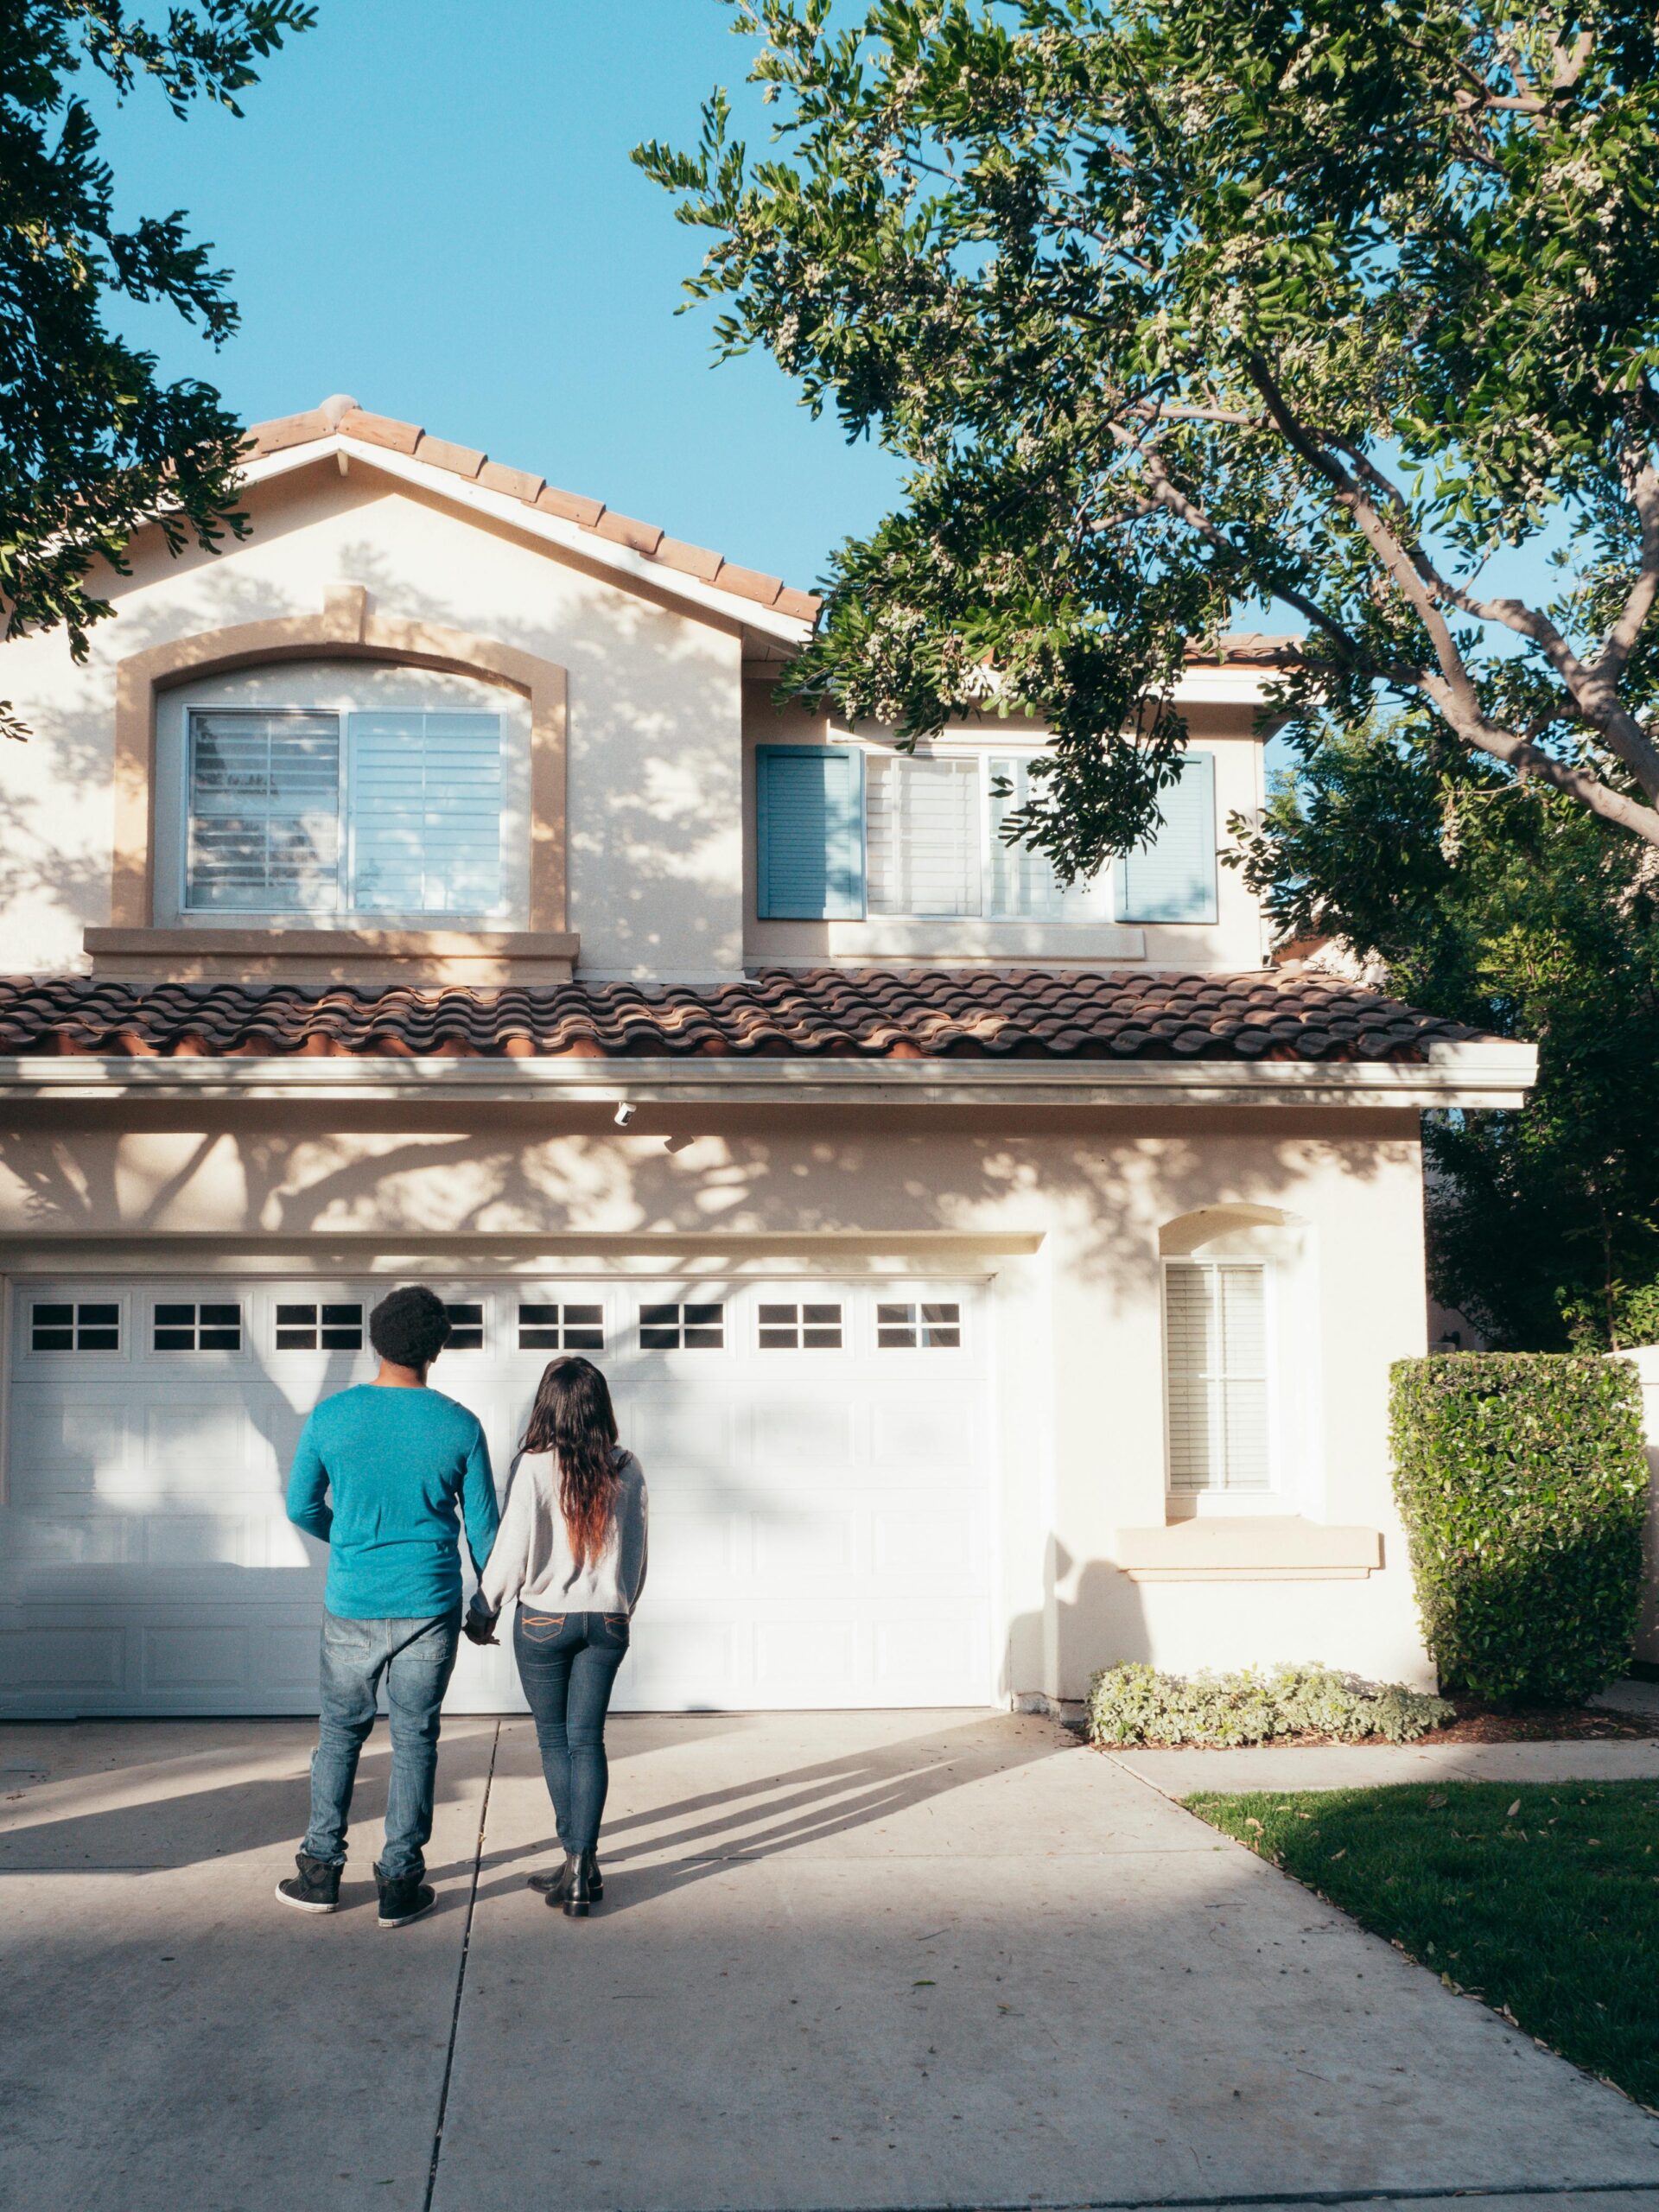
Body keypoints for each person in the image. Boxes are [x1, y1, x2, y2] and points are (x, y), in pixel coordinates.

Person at [277, 1285, 499, 1928]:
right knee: (415, 1739)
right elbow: (486, 1534)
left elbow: (299, 1506)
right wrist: (488, 1604)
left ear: (375, 1341)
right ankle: (400, 1883)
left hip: (353, 1601)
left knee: (340, 1735)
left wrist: (345, 1539)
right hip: (429, 1605)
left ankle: (320, 1872)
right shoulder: (459, 1424)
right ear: (438, 1348)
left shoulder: (331, 1417)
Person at [465, 1355, 646, 1917]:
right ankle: (580, 1866)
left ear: (548, 1405)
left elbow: (513, 1548)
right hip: (607, 1622)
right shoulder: (627, 1465)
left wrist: (484, 1606)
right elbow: (637, 1553)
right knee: (586, 1740)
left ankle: (574, 1863)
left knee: (554, 1741)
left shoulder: (537, 1464)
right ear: (600, 1406)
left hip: (545, 1621)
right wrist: (621, 1606)